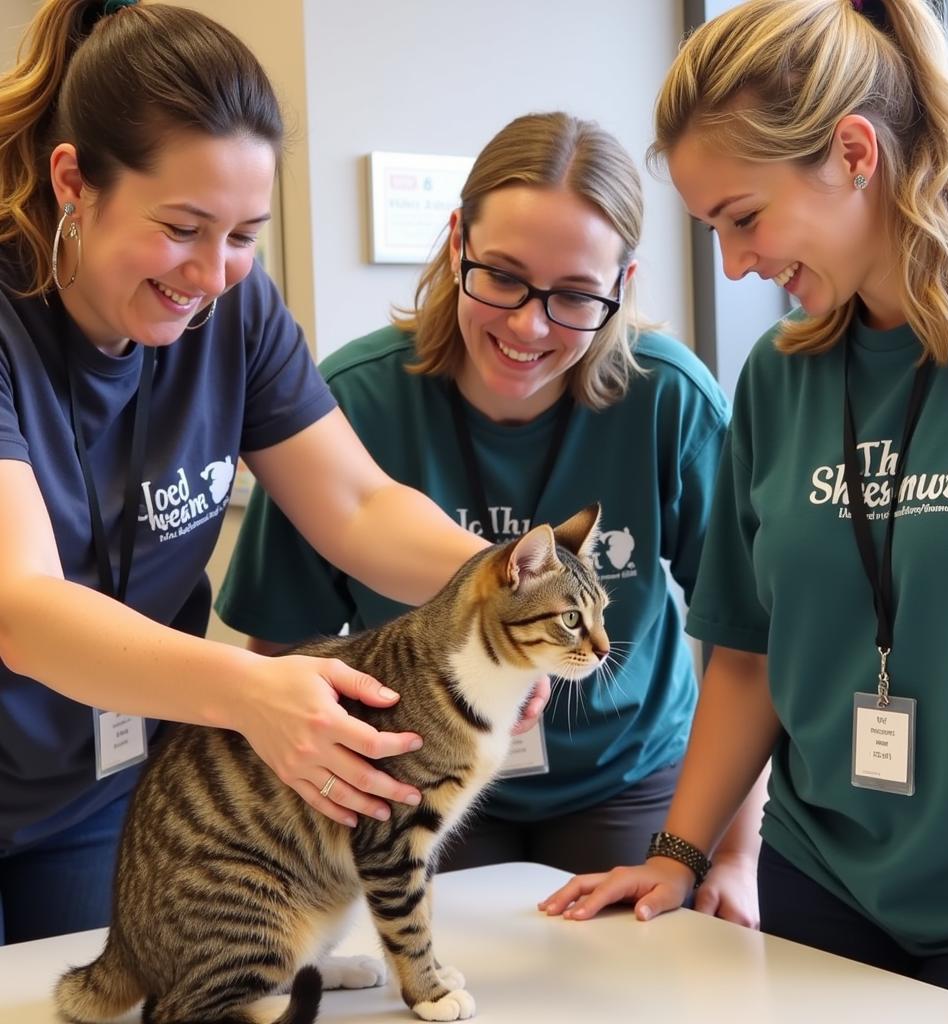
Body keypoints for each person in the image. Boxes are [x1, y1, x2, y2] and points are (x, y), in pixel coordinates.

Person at [0, 0, 544, 945]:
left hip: (95, 787)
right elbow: (22, 605)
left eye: (245, 234)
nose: (213, 274)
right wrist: (249, 691)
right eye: (182, 227)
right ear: (74, 182)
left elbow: (359, 505)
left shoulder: (233, 310)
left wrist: (492, 591)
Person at [539, 0, 948, 1016]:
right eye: (711, 228)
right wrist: (676, 852)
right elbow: (749, 653)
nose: (733, 263)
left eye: (743, 218)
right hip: (824, 884)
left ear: (854, 152)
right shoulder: (778, 374)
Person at [216, 111, 764, 925]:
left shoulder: (668, 399)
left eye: (576, 295)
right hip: (408, 781)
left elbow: (744, 634)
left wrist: (734, 854)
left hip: (623, 780)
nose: (528, 324)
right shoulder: (354, 399)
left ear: (622, 288)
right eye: (502, 276)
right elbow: (281, 647)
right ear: (455, 243)